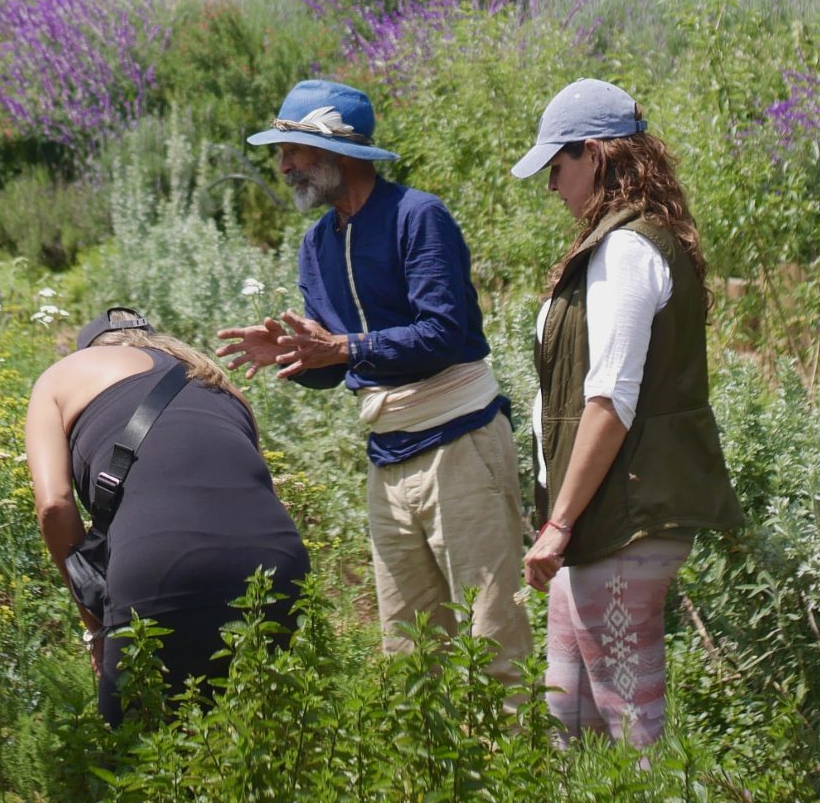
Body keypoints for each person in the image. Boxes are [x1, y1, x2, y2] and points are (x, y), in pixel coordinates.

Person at [218, 79, 532, 677]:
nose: (283, 166)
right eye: (281, 153)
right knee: (410, 652)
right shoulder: (317, 245)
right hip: (387, 459)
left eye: (293, 150)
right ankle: (435, 774)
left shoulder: (419, 217)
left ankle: (515, 766)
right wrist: (294, 351)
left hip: (461, 444)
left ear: (339, 153)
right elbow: (334, 367)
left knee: (491, 640)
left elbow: (443, 332)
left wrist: (341, 345)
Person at [510, 80, 742, 748]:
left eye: (557, 167)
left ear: (597, 154)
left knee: (632, 725)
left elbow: (610, 399)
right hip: (606, 520)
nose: (552, 186)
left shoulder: (628, 249)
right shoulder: (626, 242)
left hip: (627, 518)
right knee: (568, 713)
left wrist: (557, 522)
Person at [28, 306, 311, 724]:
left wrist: (96, 624)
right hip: (278, 560)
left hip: (158, 562)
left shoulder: (62, 375)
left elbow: (53, 505)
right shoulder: (220, 385)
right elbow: (262, 489)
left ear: (91, 348)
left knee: (142, 751)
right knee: (267, 734)